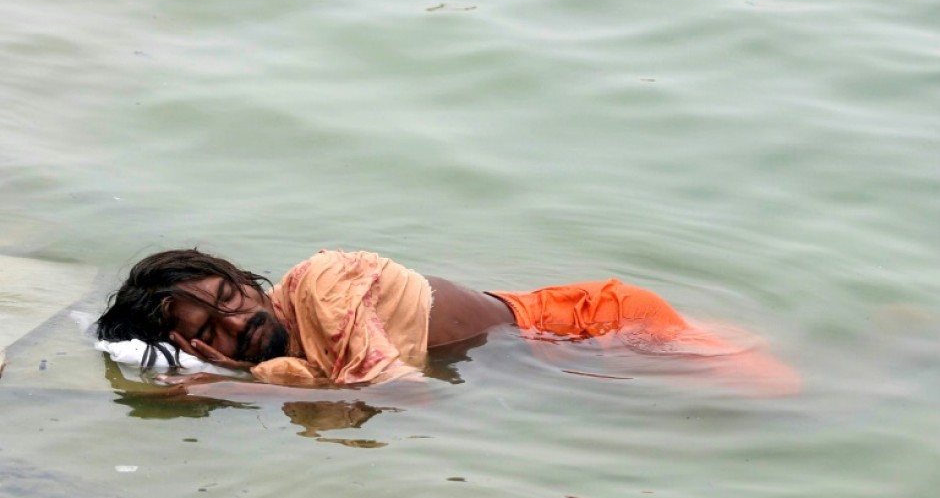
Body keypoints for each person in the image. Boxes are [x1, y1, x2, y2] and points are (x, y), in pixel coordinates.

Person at [97, 248, 799, 393]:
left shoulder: (323, 286)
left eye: (229, 294)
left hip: (594, 323)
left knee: (785, 400)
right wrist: (227, 367)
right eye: (210, 326)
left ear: (248, 280)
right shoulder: (289, 353)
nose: (236, 320)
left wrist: (227, 384)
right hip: (552, 353)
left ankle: (900, 349)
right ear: (187, 342)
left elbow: (405, 391)